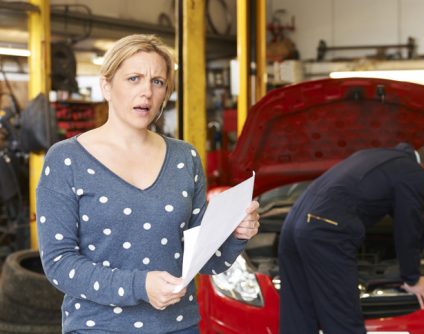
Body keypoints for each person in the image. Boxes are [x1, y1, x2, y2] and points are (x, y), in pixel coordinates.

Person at [36, 34, 260, 334]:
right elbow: (58, 263)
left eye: (158, 81)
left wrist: (235, 234)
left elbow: (202, 259)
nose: (147, 92)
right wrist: (140, 285)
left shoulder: (185, 157)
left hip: (178, 325)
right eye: (134, 78)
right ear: (106, 86)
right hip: (98, 327)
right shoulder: (66, 160)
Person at [278, 141, 424, 334]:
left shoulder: (386, 158)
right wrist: (412, 278)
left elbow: (403, 210)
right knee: (342, 317)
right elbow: (407, 227)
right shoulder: (415, 174)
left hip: (293, 225)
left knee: (297, 313)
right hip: (326, 231)